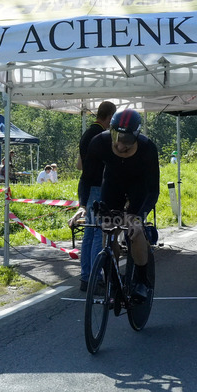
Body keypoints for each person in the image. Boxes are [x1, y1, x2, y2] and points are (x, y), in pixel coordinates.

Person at [77, 108, 159, 300]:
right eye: (117, 137)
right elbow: (87, 178)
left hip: (138, 188)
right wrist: (82, 206)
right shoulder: (100, 142)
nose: (120, 145)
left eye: (127, 141)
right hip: (112, 185)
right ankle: (113, 279)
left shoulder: (148, 148)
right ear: (111, 131)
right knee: (109, 230)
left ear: (137, 137)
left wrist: (138, 216)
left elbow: (153, 190)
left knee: (135, 230)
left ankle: (140, 280)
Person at [73, 100, 117, 291]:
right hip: (99, 186)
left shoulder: (86, 134)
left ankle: (85, 277)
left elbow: (79, 165)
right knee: (99, 233)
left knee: (89, 234)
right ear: (109, 117)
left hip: (86, 185)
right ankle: (94, 277)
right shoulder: (103, 135)